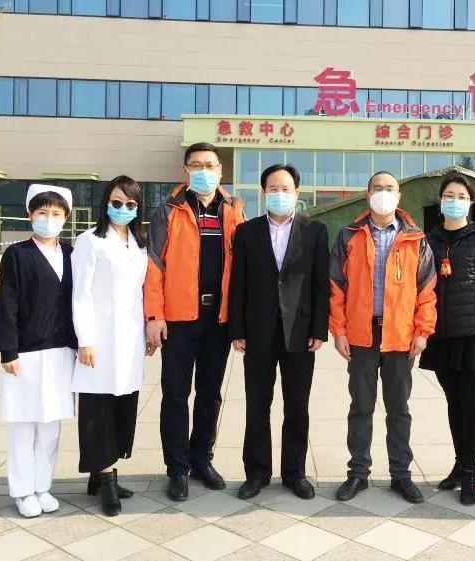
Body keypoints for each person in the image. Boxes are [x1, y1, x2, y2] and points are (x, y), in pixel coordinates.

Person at [144, 142, 246, 501]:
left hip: (218, 319)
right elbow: (154, 265)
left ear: (221, 171)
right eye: (196, 165)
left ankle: (202, 459)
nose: (203, 171)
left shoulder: (234, 210)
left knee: (210, 394)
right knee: (175, 395)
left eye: (210, 165)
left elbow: (243, 268)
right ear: (185, 170)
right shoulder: (169, 210)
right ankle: (177, 468)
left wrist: (240, 321)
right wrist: (154, 316)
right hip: (178, 320)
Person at [330, 171, 437, 504]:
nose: (383, 193)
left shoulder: (415, 238)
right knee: (360, 407)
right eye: (377, 188)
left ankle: (401, 474)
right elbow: (335, 287)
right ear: (367, 195)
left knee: (399, 409)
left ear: (399, 196)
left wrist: (423, 331)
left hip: (400, 338)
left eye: (390, 188)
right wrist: (339, 331)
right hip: (361, 336)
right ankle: (358, 473)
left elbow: (427, 290)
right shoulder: (349, 235)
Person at [229, 164, 330, 501]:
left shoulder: (314, 230)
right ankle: (256, 473)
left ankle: (294, 473)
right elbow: (238, 282)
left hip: (299, 333)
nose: (279, 194)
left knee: (297, 407)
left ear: (297, 193)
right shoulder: (247, 232)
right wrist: (237, 328)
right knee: (257, 405)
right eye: (273, 189)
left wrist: (319, 328)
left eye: (286, 189)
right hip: (257, 332)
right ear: (264, 193)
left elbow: (320, 283)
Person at [418, 173, 475, 506]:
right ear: (440, 201)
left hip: (474, 338)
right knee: (453, 403)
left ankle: (469, 473)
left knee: (471, 404)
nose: (454, 201)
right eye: (449, 196)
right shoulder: (429, 239)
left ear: (470, 203)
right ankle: (459, 464)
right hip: (441, 336)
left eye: (461, 196)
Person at [0, 184, 77, 518]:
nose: (49, 218)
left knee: (50, 426)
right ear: (31, 215)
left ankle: (42, 486)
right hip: (26, 353)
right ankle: (22, 490)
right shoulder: (18, 254)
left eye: (56, 213)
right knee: (23, 423)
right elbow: (8, 303)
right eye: (42, 212)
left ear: (65, 218)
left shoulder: (71, 254)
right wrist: (8, 350)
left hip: (61, 352)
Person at [72, 176, 150, 516]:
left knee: (123, 405)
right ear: (105, 203)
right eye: (117, 203)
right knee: (98, 409)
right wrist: (85, 339)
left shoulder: (139, 242)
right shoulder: (90, 241)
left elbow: (141, 293)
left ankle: (99, 473)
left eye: (130, 204)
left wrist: (147, 332)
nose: (123, 209)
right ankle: (106, 480)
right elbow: (80, 294)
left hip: (130, 338)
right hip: (100, 339)